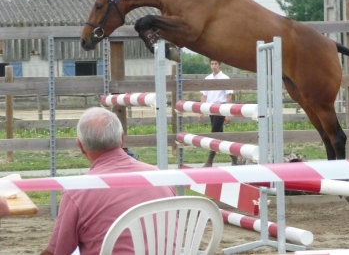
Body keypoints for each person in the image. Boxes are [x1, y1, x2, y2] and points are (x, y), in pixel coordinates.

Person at [41, 107, 176, 255]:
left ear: (80, 146)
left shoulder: (77, 190)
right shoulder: (161, 178)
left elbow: (57, 252)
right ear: (122, 138)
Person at [198, 59, 235, 167]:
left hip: (221, 108)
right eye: (212, 64)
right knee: (219, 135)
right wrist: (200, 111)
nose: (213, 66)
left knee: (214, 133)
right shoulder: (208, 79)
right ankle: (234, 155)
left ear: (220, 65)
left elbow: (229, 96)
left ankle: (210, 160)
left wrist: (228, 113)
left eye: (215, 64)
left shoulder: (225, 78)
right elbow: (204, 95)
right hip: (211, 108)